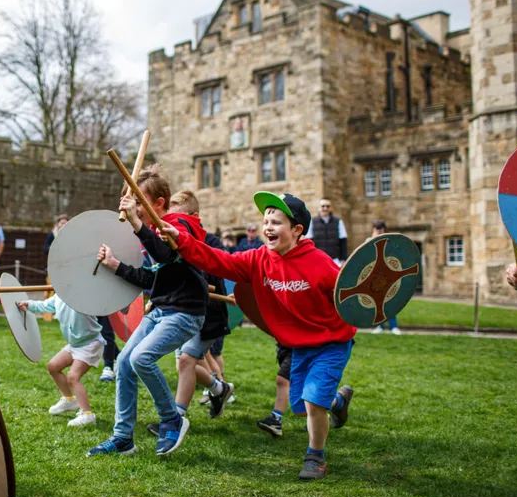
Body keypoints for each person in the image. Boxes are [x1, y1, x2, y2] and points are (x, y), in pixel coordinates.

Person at [160, 191, 355, 480]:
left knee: (314, 403)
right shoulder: (258, 259)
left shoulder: (321, 263)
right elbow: (217, 261)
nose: (267, 227)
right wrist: (182, 239)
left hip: (332, 342)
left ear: (297, 230)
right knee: (302, 407)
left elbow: (349, 297)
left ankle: (316, 456)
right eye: (265, 221)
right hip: (299, 346)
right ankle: (337, 403)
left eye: (276, 222)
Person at [88, 165, 208, 458]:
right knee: (125, 363)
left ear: (159, 204)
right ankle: (123, 437)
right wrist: (116, 265)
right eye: (130, 201)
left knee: (142, 358)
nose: (133, 207)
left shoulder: (180, 224)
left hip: (186, 311)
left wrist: (136, 224)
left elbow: (166, 252)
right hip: (162, 309)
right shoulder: (150, 233)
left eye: (139, 202)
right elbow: (153, 277)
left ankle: (172, 419)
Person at [133, 190, 232, 436]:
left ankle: (176, 417)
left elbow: (210, 272)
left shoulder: (211, 242)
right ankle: (218, 388)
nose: (172, 225)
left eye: (180, 218)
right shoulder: (166, 235)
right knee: (184, 363)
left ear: (194, 217)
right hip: (181, 309)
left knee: (187, 361)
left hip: (207, 314)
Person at [17, 294, 104, 427]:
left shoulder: (83, 294)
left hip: (90, 343)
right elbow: (45, 305)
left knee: (73, 377)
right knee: (53, 366)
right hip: (75, 344)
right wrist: (29, 305)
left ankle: (87, 415)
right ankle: (69, 400)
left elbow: (103, 301)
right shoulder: (59, 296)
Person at [369, 220, 401, 334]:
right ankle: (379, 326)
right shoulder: (368, 241)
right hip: (374, 276)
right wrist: (373, 238)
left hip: (387, 275)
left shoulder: (389, 241)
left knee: (390, 300)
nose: (379, 230)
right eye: (377, 228)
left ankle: (393, 326)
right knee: (377, 302)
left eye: (381, 228)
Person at [304, 198, 348, 266]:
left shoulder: (338, 222)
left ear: (331, 208)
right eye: (323, 206)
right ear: (319, 208)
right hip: (318, 260)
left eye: (328, 206)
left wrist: (344, 259)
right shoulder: (312, 222)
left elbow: (343, 242)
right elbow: (309, 243)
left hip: (335, 260)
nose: (325, 208)